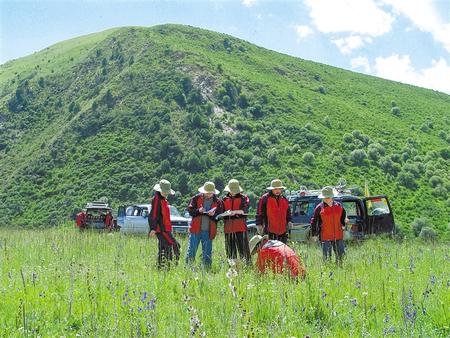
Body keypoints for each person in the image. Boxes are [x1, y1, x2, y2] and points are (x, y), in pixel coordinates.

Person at [186, 181, 222, 268]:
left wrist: (214, 215)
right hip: (195, 230)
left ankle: (206, 269)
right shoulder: (195, 198)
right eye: (207, 193)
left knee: (207, 252)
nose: (208, 194)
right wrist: (198, 211)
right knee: (191, 251)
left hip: (209, 231)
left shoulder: (218, 202)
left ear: (213, 192)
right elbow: (190, 211)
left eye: (210, 193)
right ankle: (188, 268)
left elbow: (219, 216)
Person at [310, 186, 347, 264]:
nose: (326, 199)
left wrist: (343, 224)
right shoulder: (319, 208)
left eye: (328, 197)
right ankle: (328, 269)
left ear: (332, 197)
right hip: (325, 236)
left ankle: (339, 268)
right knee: (326, 257)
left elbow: (344, 215)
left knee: (341, 255)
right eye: (325, 197)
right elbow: (314, 221)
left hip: (338, 234)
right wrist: (314, 234)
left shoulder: (339, 205)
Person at [148, 179, 180, 268]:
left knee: (164, 248)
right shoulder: (157, 199)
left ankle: (162, 267)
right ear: (159, 190)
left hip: (166, 229)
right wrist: (153, 228)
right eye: (164, 192)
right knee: (174, 246)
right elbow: (153, 215)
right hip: (161, 229)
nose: (166, 194)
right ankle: (169, 267)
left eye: (167, 192)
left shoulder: (163, 199)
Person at [221, 179, 251, 264]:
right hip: (228, 228)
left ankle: (246, 266)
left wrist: (234, 212)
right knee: (230, 250)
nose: (233, 192)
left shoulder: (244, 198)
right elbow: (221, 212)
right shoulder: (224, 199)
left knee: (244, 250)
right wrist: (225, 214)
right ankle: (232, 269)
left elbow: (245, 210)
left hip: (240, 227)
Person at [256, 179, 292, 244]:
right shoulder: (265, 198)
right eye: (275, 189)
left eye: (279, 189)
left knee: (282, 250)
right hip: (269, 230)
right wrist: (259, 224)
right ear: (271, 189)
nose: (278, 191)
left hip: (283, 230)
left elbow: (288, 212)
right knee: (271, 250)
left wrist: (289, 221)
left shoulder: (284, 199)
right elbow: (259, 212)